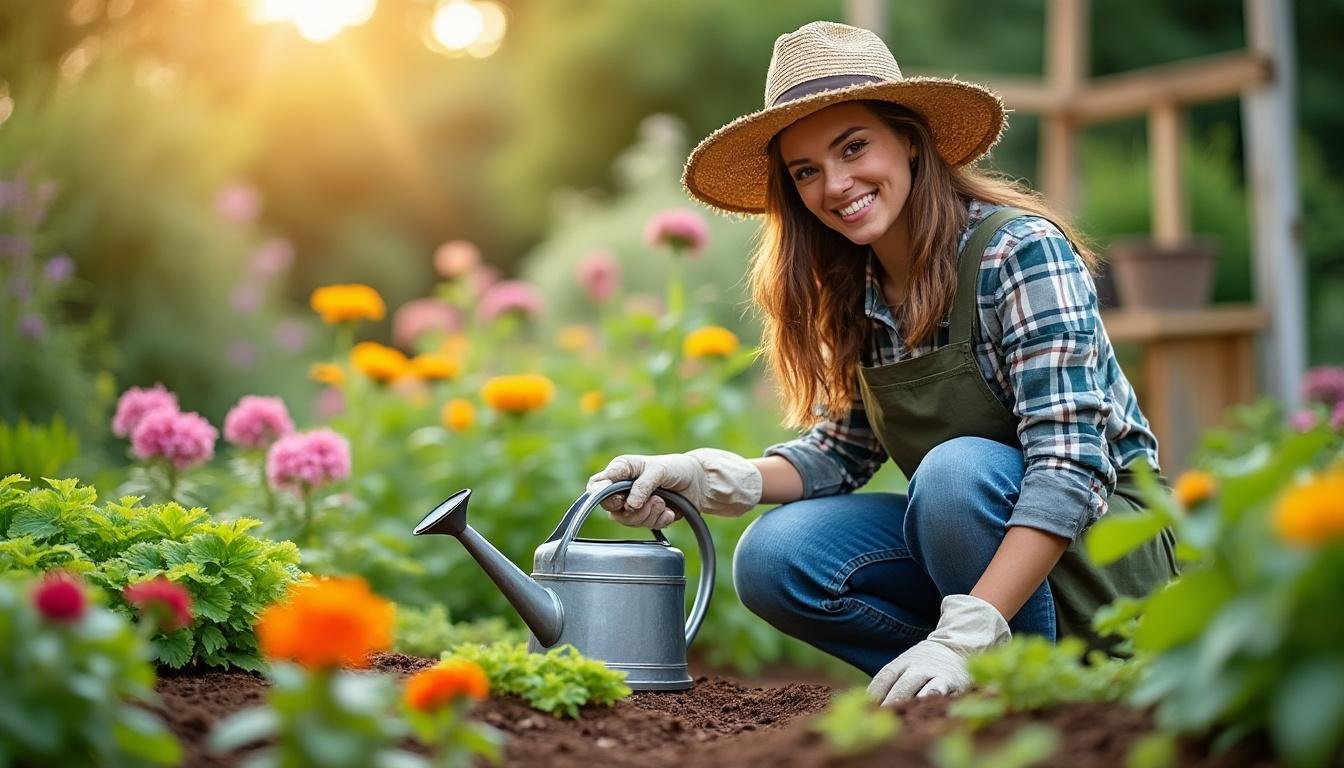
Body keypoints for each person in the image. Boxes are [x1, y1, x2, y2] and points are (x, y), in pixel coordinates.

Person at [585, 20, 1178, 706]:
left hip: (1101, 564)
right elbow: (841, 456)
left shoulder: (1018, 251)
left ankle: (1029, 692)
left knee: (955, 475)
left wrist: (969, 629)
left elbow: (1070, 465)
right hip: (979, 557)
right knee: (777, 557)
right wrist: (701, 476)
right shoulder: (858, 290)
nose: (835, 185)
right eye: (806, 171)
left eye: (853, 147)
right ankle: (942, 696)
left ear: (908, 139)